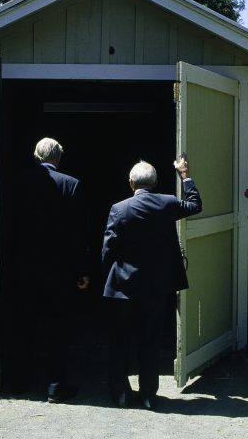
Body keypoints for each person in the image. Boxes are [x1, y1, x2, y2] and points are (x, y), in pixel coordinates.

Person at [101, 157, 202, 410]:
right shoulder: (166, 203)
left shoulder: (119, 208)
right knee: (150, 341)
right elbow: (194, 205)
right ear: (155, 183)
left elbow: (108, 249)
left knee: (119, 341)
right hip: (155, 287)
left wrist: (108, 268)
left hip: (123, 287)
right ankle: (148, 395)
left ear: (131, 183)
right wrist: (185, 176)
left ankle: (121, 394)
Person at [3, 137, 89, 403]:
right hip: (58, 270)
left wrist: (6, 262)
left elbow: (8, 225)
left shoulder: (17, 182)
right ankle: (54, 387)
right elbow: (77, 233)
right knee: (57, 328)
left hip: (23, 267)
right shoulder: (71, 185)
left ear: (35, 156)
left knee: (23, 325)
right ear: (59, 158)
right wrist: (81, 270)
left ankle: (19, 382)